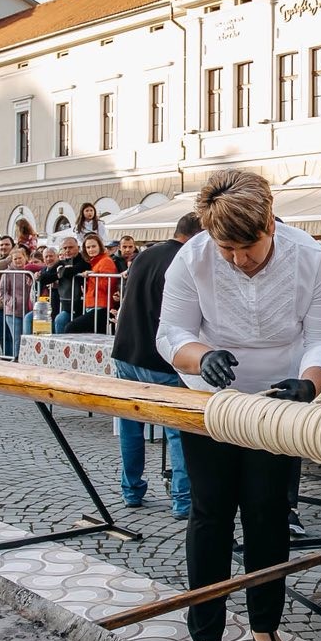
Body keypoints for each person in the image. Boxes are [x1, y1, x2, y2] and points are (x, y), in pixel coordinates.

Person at [155, 170, 321, 641]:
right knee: (209, 516)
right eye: (226, 249)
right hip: (211, 404)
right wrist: (200, 355)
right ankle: (206, 635)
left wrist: (311, 382)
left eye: (248, 248)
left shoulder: (310, 257)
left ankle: (265, 625)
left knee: (268, 515)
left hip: (278, 405)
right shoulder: (191, 257)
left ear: (270, 226)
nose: (238, 259)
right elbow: (171, 332)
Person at [112, 213, 198, 518]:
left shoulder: (145, 255)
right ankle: (183, 500)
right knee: (178, 430)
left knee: (130, 426)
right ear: (197, 235)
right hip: (159, 355)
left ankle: (131, 490)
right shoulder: (186, 260)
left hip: (126, 349)